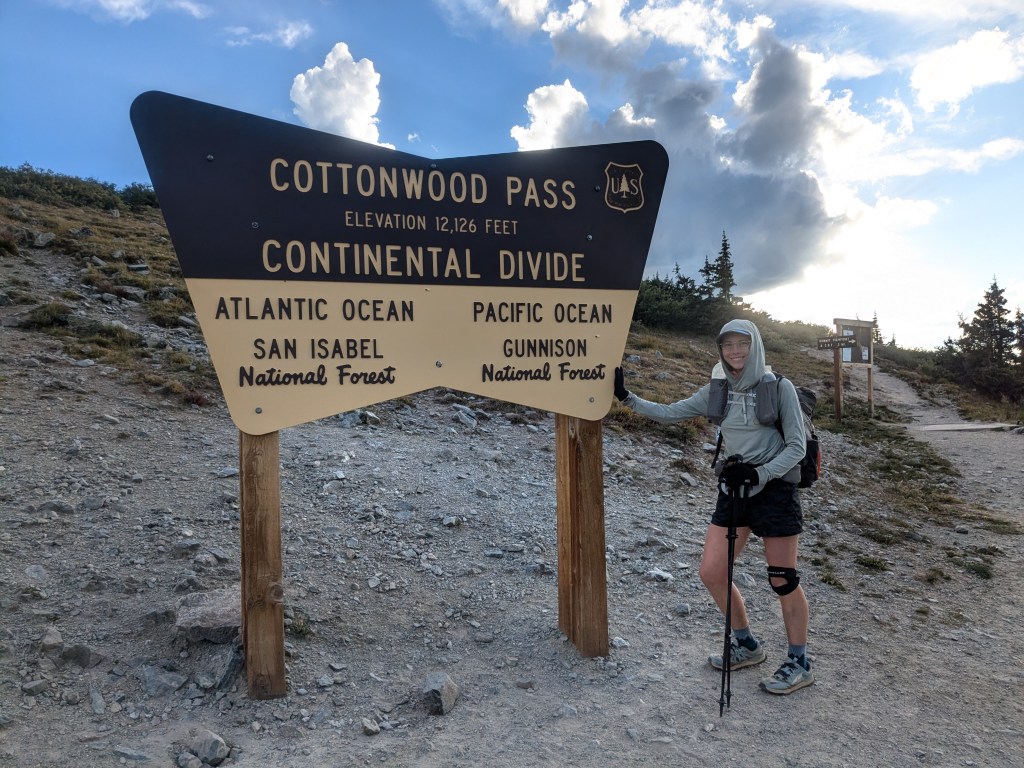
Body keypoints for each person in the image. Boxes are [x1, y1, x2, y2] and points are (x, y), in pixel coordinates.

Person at [613, 318, 814, 695]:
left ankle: (799, 662)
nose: (735, 352)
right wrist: (627, 398)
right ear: (720, 350)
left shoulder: (779, 388)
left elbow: (797, 449)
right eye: (728, 345)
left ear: (755, 346)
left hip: (774, 492)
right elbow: (673, 411)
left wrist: (761, 475)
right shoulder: (718, 389)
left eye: (743, 344)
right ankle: (747, 645)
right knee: (712, 572)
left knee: (782, 579)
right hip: (734, 489)